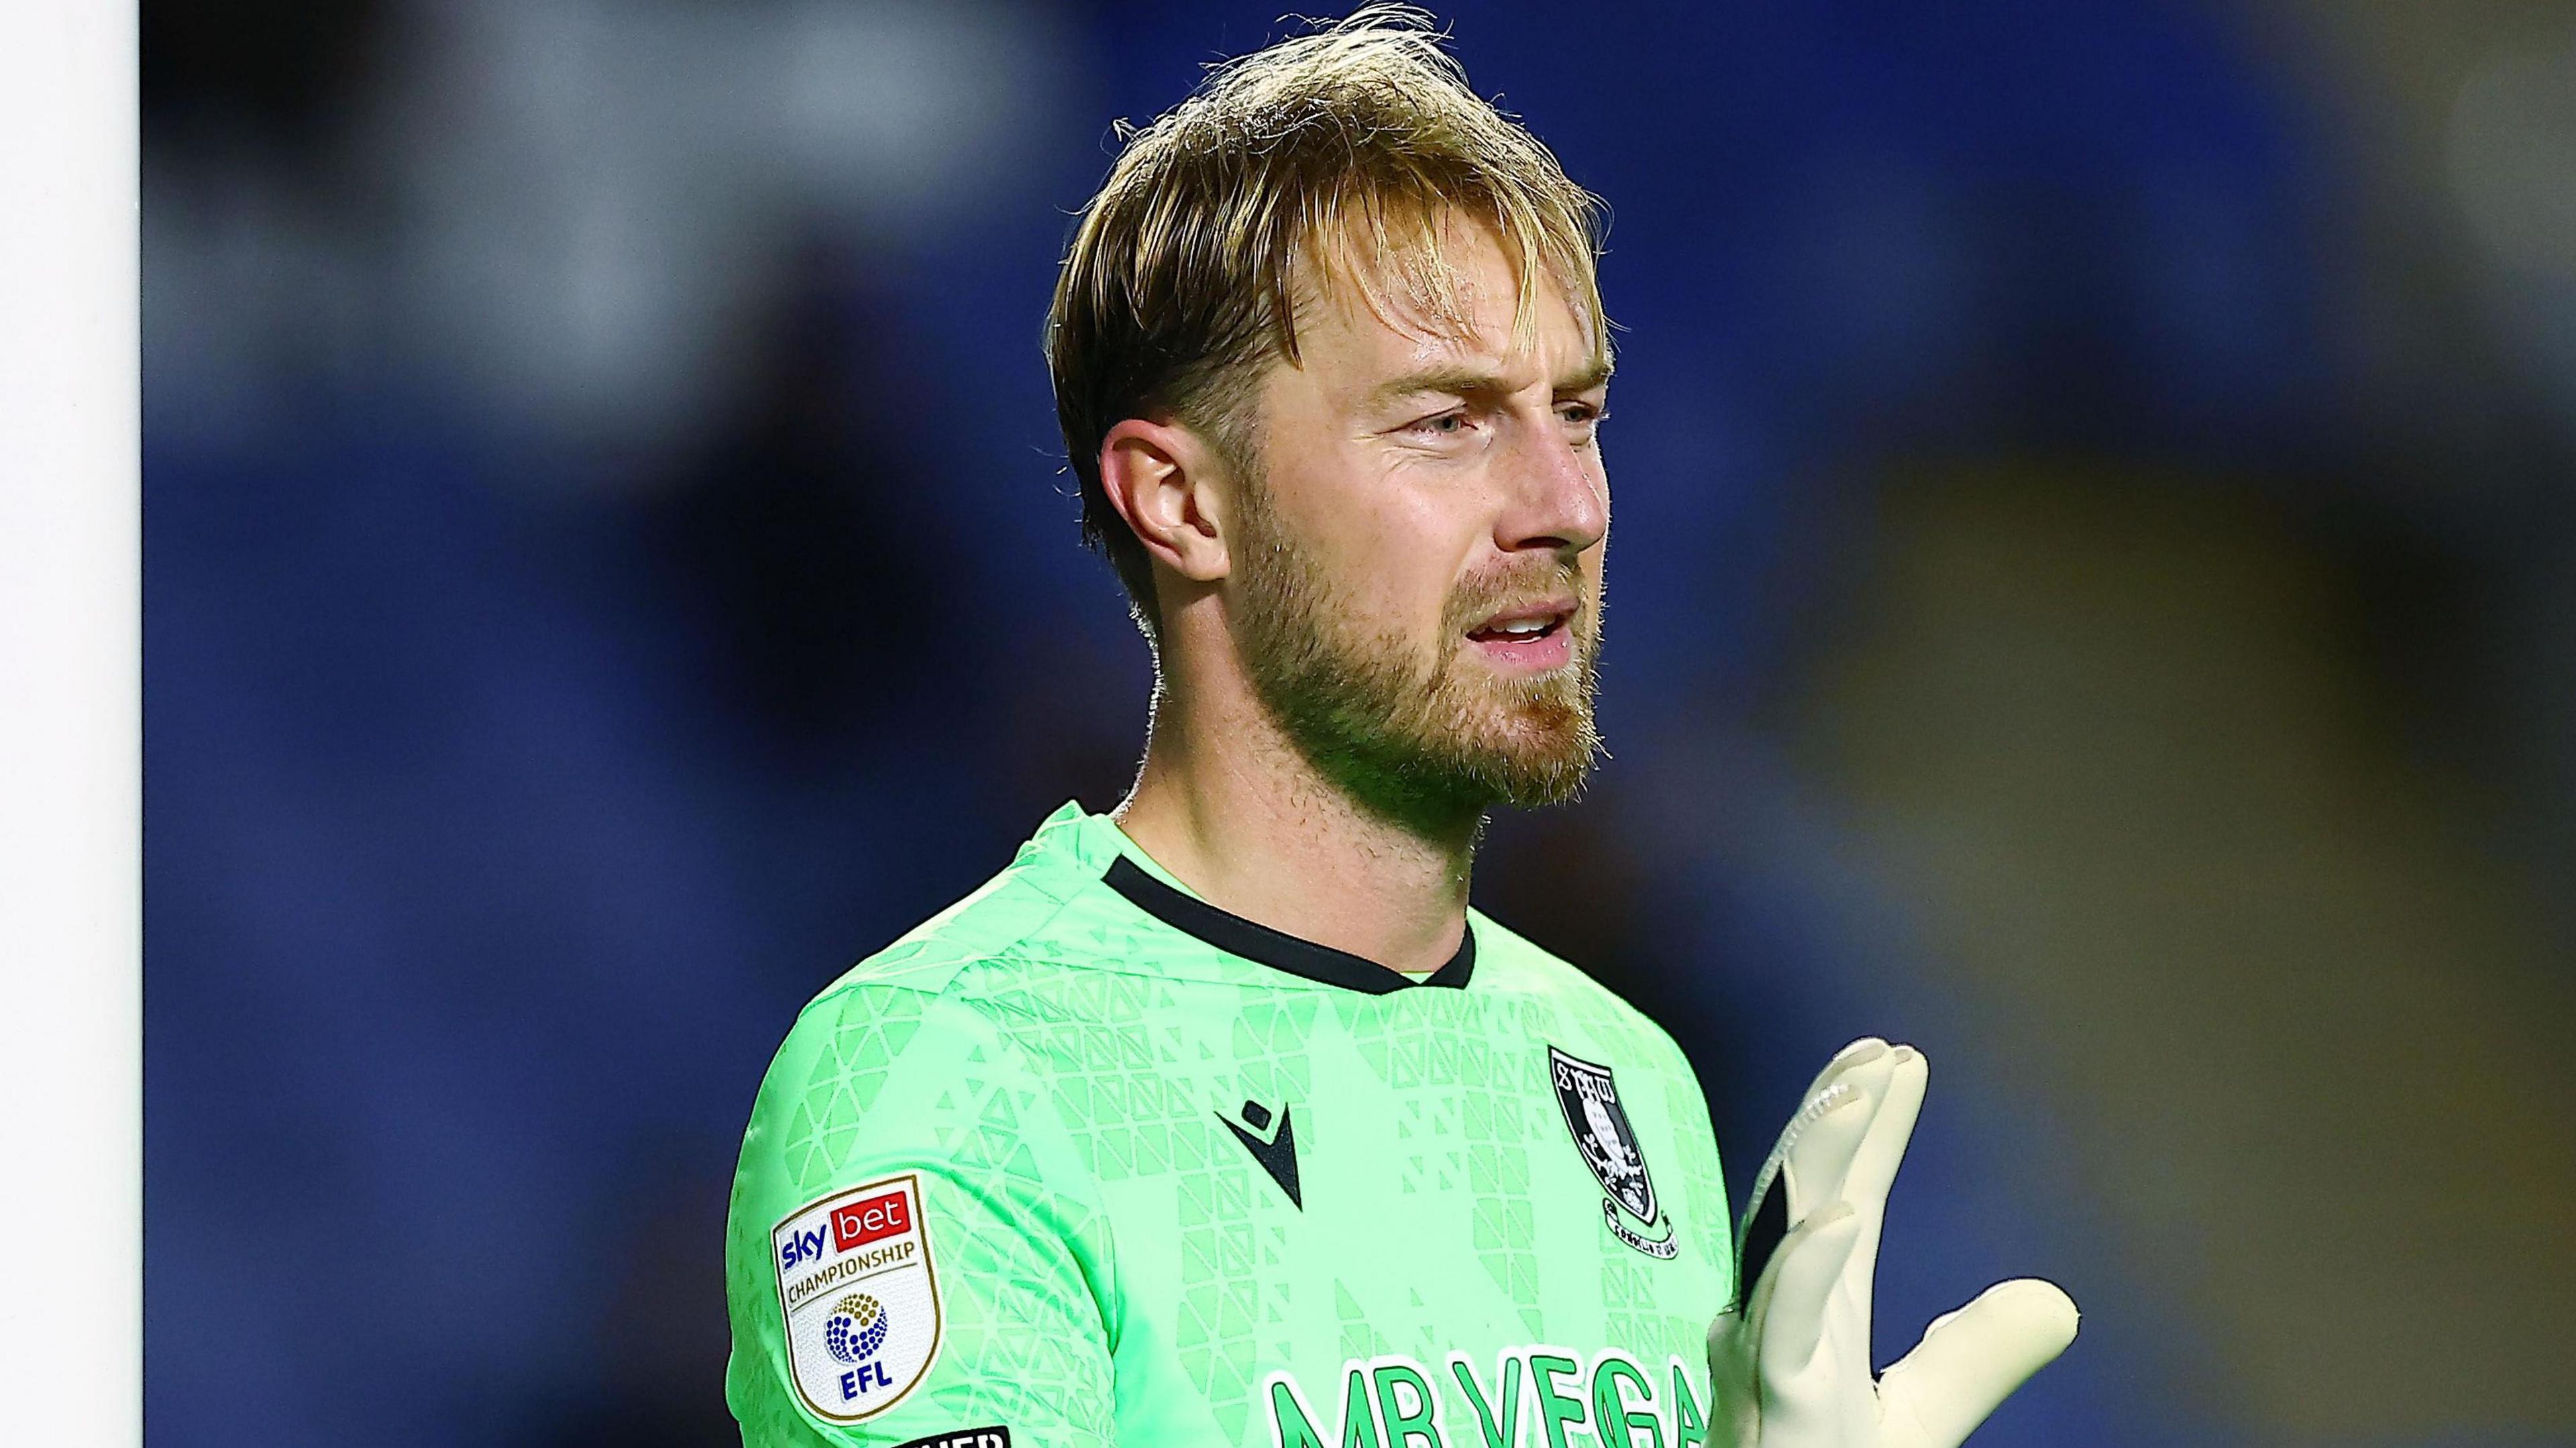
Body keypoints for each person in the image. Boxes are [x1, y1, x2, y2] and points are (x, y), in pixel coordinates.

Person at [723, 11, 2075, 1447]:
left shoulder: (1632, 1085)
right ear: (1183, 504)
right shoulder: (942, 1075)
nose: (1565, 506)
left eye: (1577, 415)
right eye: (1444, 424)